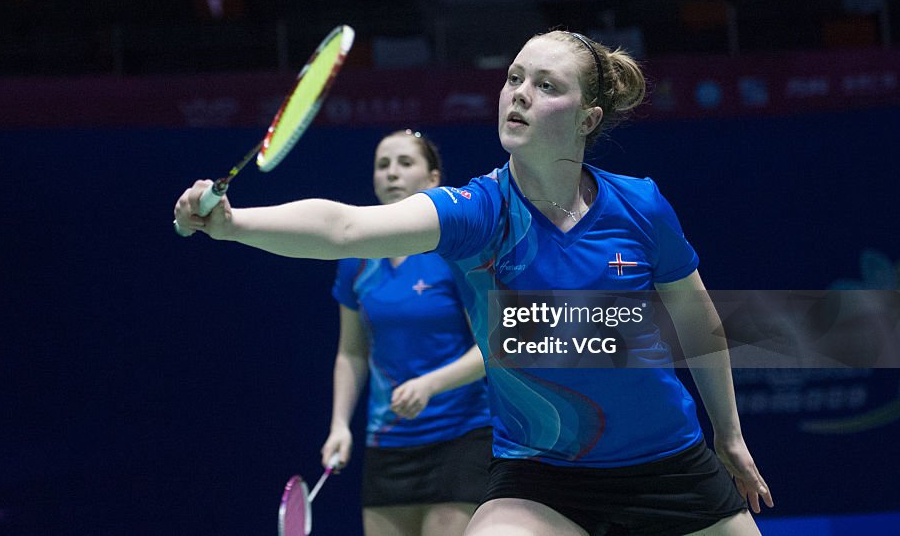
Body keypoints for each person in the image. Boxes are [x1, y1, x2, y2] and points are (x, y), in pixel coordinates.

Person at [175, 28, 774, 535]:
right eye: (513, 78)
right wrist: (232, 223)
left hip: (668, 463)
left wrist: (731, 436)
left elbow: (698, 320)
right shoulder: (479, 212)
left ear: (588, 118)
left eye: (545, 86)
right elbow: (347, 227)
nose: (518, 95)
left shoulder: (640, 206)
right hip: (543, 478)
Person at [324, 129, 492, 536]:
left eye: (404, 163)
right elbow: (352, 353)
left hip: (461, 433)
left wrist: (431, 385)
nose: (392, 173)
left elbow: (493, 348)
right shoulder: (356, 262)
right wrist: (340, 425)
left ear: (434, 179)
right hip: (389, 439)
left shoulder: (457, 253)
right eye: (383, 165)